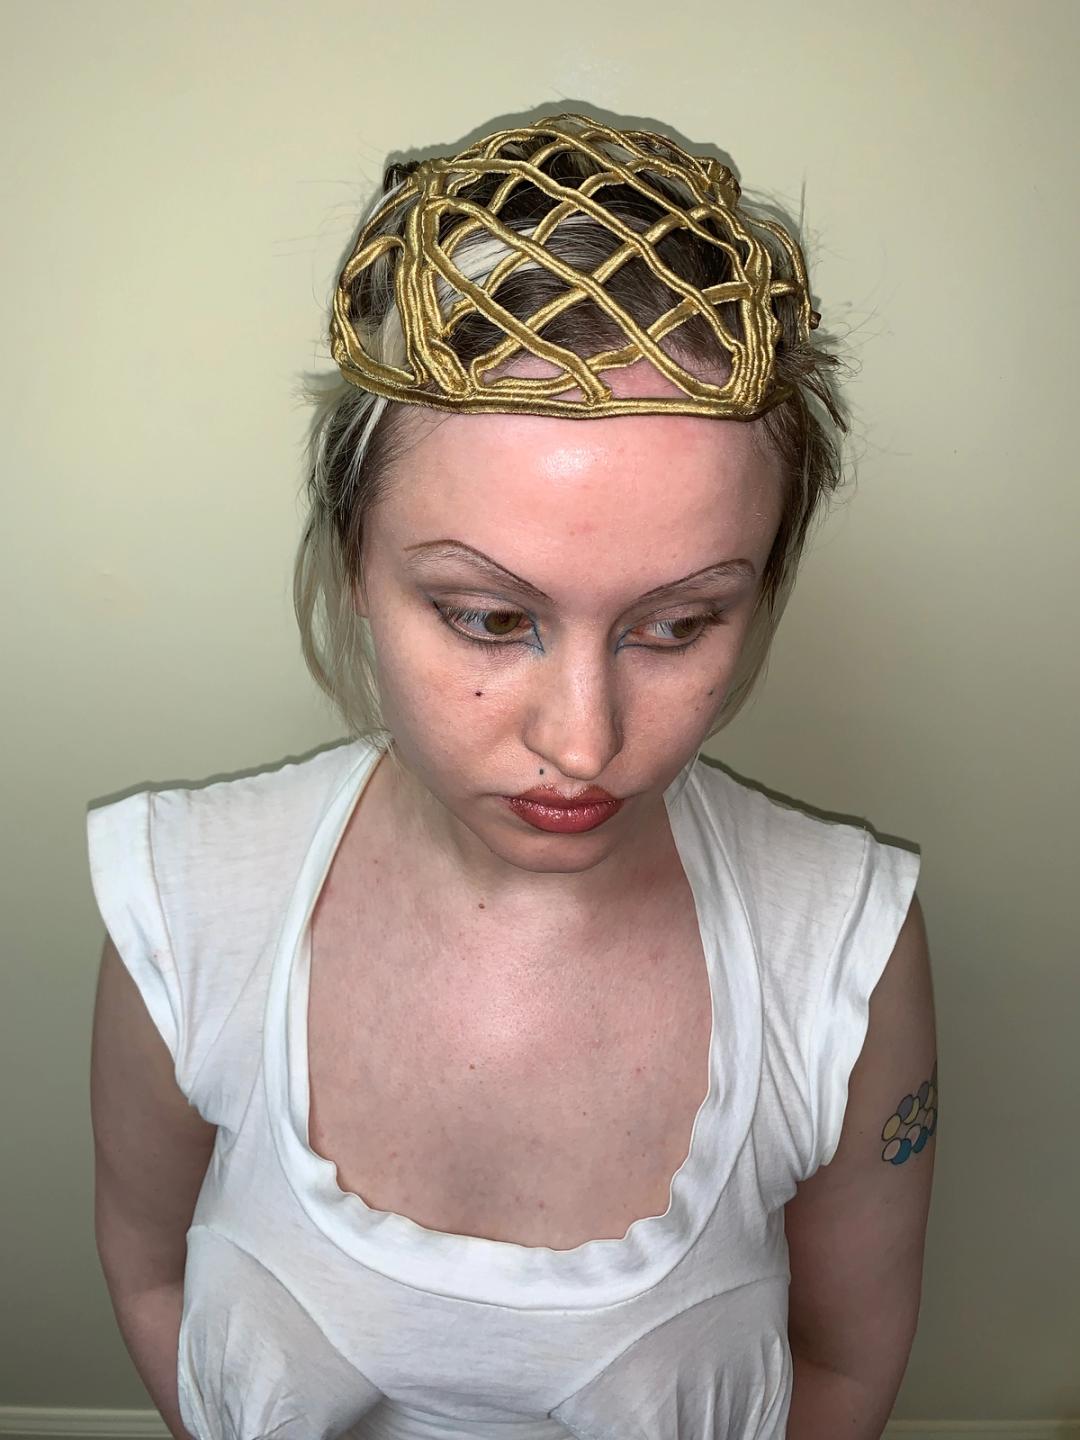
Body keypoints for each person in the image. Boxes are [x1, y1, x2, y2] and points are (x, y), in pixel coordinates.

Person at [87, 112, 937, 1440]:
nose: (584, 744)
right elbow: (150, 1277)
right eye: (489, 618)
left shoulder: (843, 945)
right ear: (356, 563)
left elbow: (841, 1366)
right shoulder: (182, 903)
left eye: (678, 625)